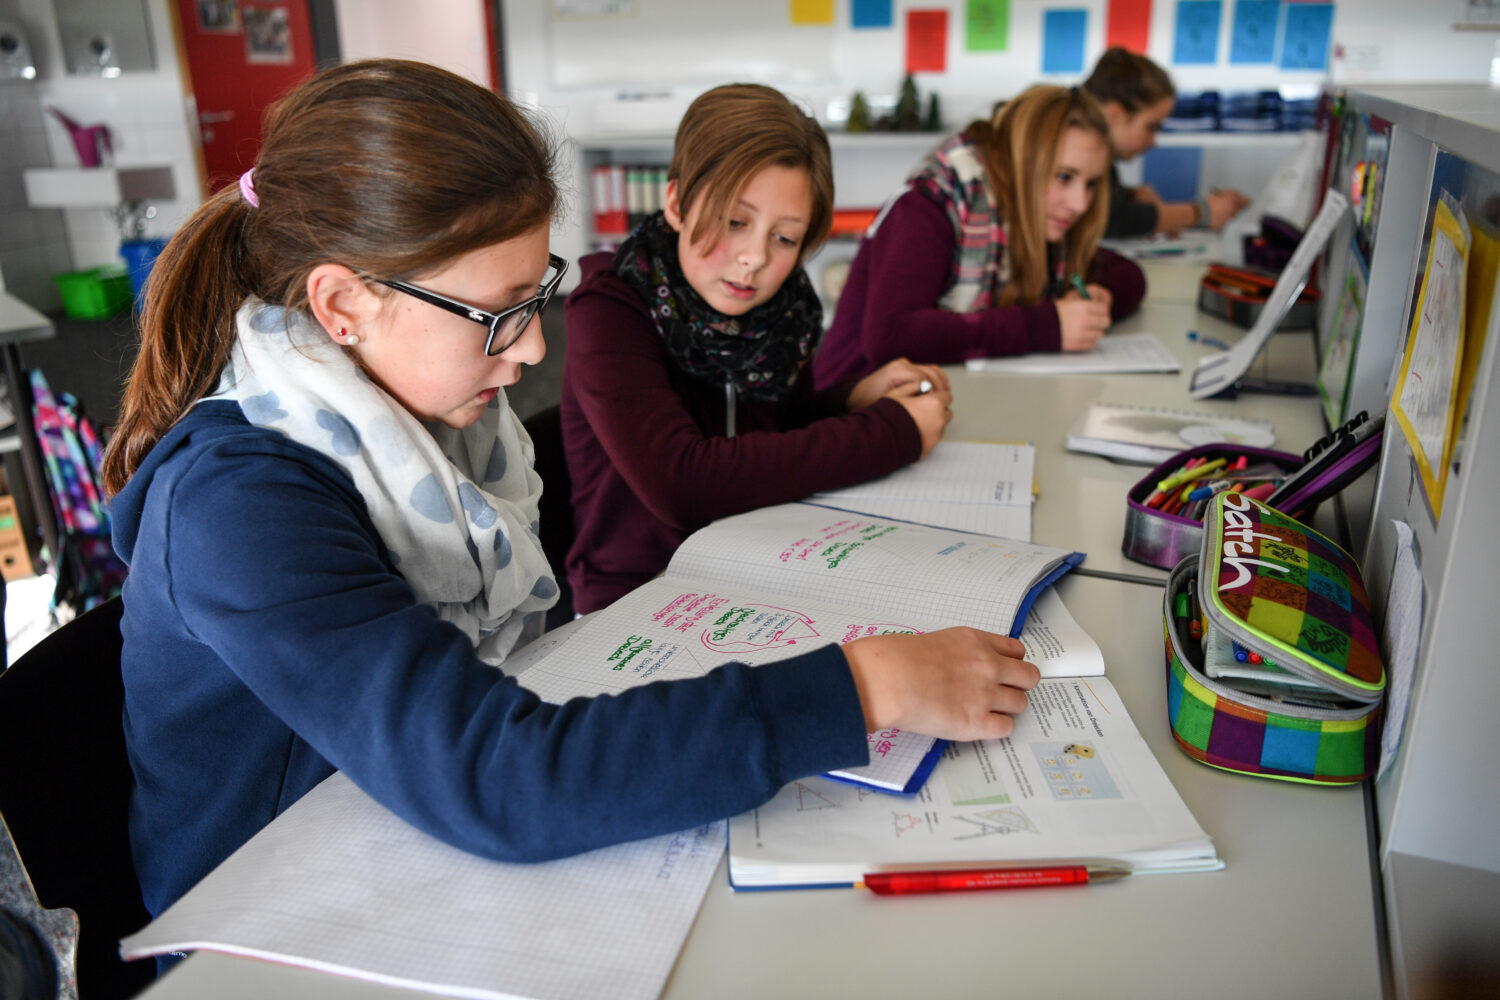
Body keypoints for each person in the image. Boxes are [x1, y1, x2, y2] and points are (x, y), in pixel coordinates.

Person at [101, 61, 1040, 920]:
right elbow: (495, 774)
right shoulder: (237, 509)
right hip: (263, 924)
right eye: (499, 315)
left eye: (536, 297)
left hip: (391, 838)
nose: (534, 350)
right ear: (345, 305)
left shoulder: (422, 416)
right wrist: (860, 685)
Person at [562, 83, 954, 615]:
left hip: (760, 571)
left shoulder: (783, 312)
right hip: (637, 597)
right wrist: (894, 433)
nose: (754, 258)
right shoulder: (609, 309)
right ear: (676, 202)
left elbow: (772, 436)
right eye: (734, 222)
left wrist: (849, 400)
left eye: (785, 238)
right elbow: (682, 482)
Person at [813, 84, 1147, 389]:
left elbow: (1128, 275)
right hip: (848, 407)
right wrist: (1047, 326)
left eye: (1091, 184)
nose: (1080, 204)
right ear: (1023, 162)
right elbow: (892, 336)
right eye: (1063, 177)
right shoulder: (929, 206)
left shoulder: (1043, 219)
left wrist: (1099, 301)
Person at [1082, 46, 1251, 238]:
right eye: (1151, 127)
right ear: (1115, 115)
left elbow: (1107, 207)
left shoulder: (1099, 155)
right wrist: (1202, 213)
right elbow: (1111, 219)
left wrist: (1127, 195)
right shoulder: (1077, 146)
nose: (1153, 142)